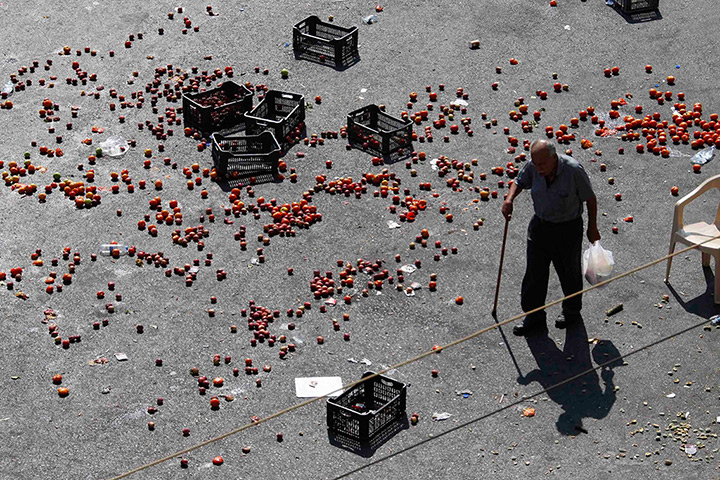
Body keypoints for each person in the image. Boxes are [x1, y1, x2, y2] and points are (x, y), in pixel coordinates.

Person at [501, 139, 600, 336]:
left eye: (542, 164)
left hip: (568, 228)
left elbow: (590, 199)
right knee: (534, 273)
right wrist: (509, 199)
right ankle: (534, 315)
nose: (538, 169)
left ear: (554, 158)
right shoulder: (533, 166)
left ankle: (571, 312)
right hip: (541, 224)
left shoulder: (573, 170)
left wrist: (592, 227)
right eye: (535, 164)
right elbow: (519, 181)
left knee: (568, 272)